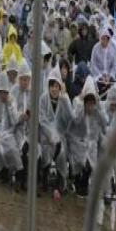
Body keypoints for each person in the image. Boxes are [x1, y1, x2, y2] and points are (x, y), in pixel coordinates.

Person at [68, 76, 107, 197]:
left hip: (91, 145)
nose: (90, 106)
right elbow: (75, 119)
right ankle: (77, 181)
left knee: (90, 166)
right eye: (88, 102)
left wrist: (99, 105)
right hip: (78, 143)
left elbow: (105, 121)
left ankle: (82, 185)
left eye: (92, 103)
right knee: (82, 164)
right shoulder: (77, 102)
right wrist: (80, 102)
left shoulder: (98, 110)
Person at [38, 67, 71, 198]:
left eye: (57, 86)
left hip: (61, 136)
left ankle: (60, 180)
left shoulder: (63, 100)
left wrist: (66, 99)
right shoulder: (43, 99)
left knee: (61, 151)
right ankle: (44, 175)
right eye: (52, 86)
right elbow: (42, 119)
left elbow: (70, 118)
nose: (54, 89)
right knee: (46, 150)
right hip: (45, 136)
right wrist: (50, 134)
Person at [0, 78, 23, 184]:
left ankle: (15, 175)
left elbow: (14, 121)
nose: (3, 95)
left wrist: (10, 106)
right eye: (1, 92)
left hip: (8, 133)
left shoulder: (11, 100)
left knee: (12, 150)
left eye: (5, 92)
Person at [91, 26, 116, 92]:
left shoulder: (112, 49)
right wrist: (101, 76)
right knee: (98, 88)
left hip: (109, 76)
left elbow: (114, 65)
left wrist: (109, 76)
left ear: (108, 39)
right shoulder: (95, 48)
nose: (104, 41)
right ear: (100, 38)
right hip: (98, 76)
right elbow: (93, 64)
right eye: (103, 39)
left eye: (106, 39)